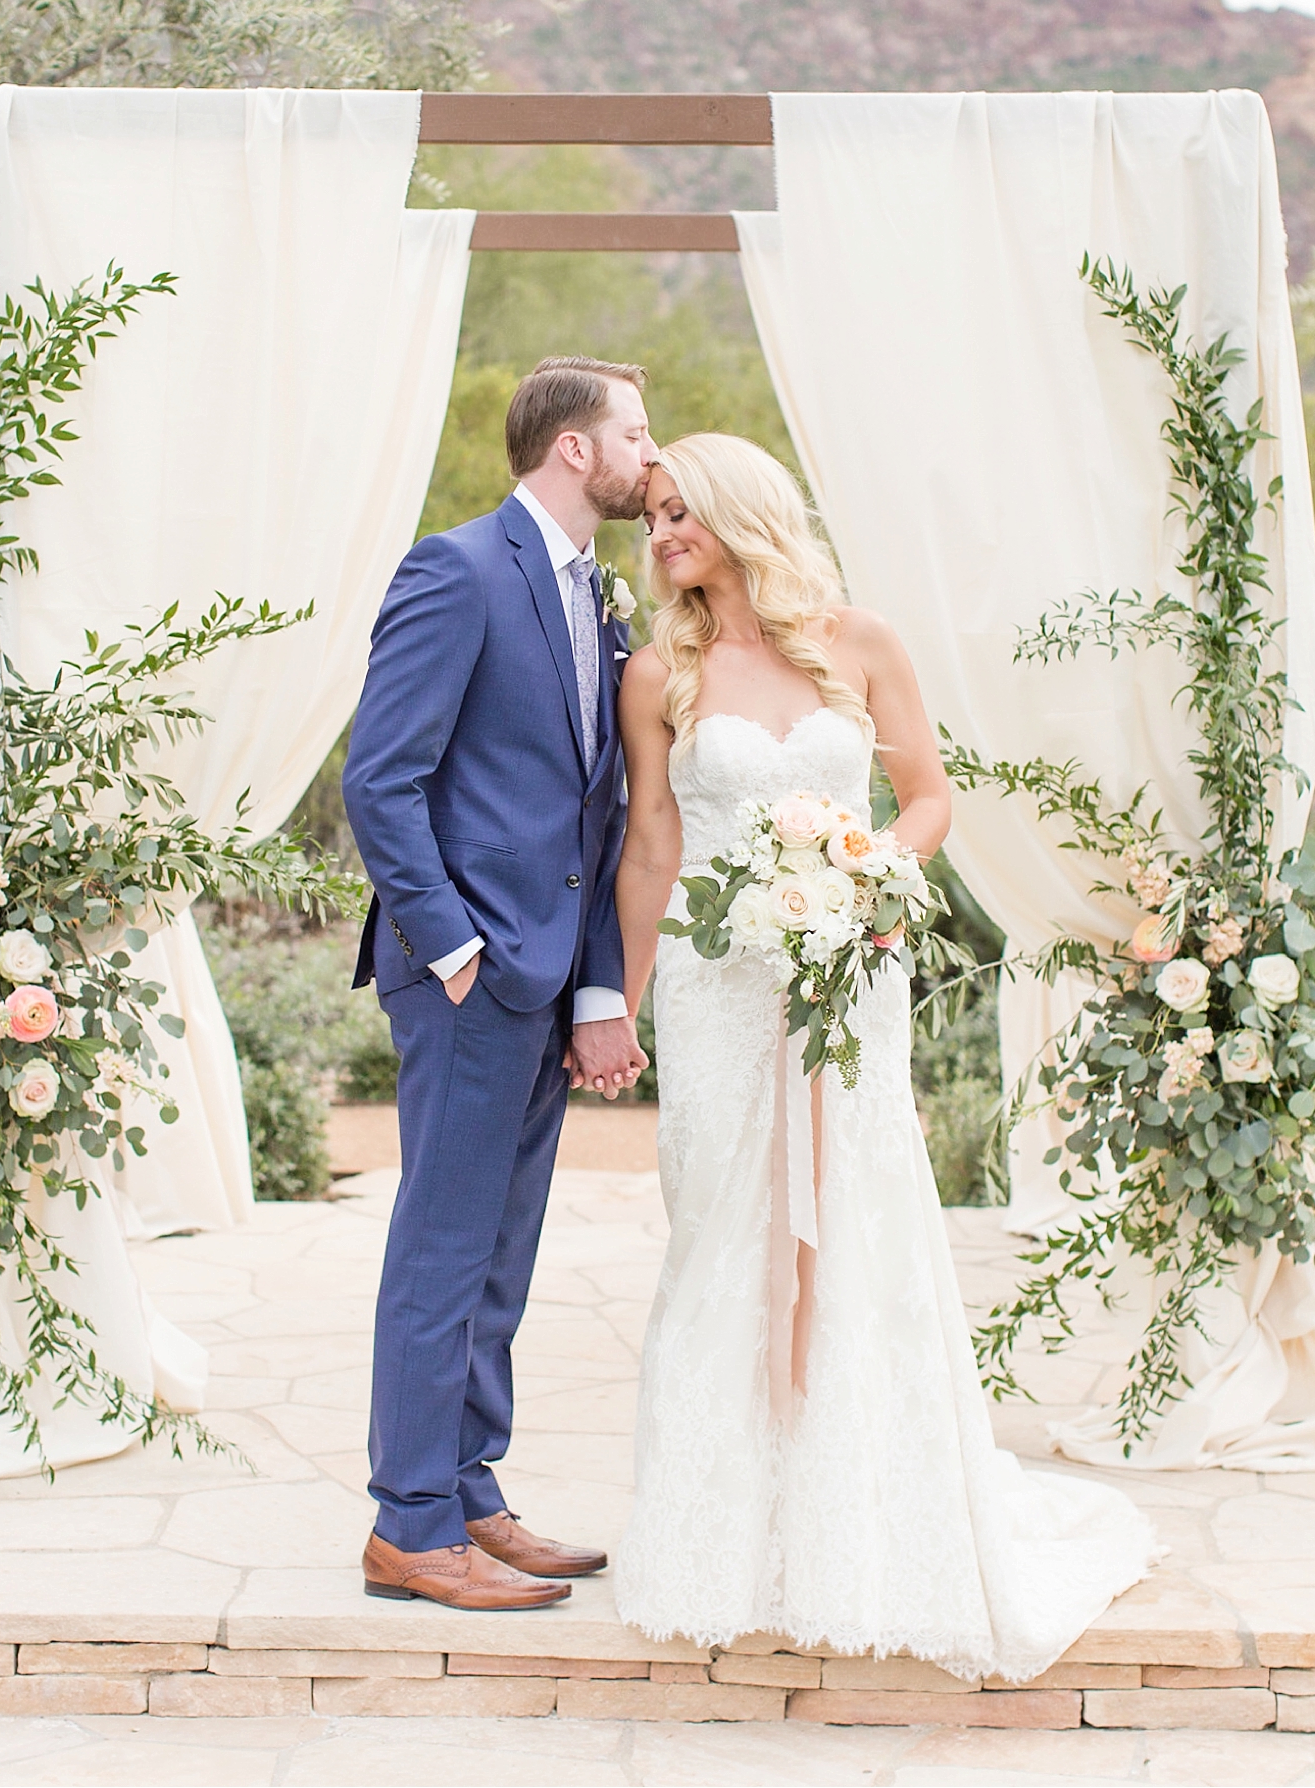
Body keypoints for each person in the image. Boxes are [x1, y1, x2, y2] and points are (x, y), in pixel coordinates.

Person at [610, 433, 1157, 1678]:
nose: (663, 535)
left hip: (847, 973)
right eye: (651, 516)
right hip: (716, 987)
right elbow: (650, 845)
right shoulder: (660, 673)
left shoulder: (857, 642)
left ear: (745, 512)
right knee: (717, 1225)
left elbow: (925, 795)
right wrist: (620, 1003)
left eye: (680, 509)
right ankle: (716, 1542)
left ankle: (854, 1525)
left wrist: (861, 870)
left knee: (852, 1218)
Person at [342, 356, 656, 1611]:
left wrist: (592, 989)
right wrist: (456, 948)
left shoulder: (593, 593)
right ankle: (408, 1526)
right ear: (573, 449)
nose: (652, 453)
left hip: (540, 975)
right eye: (635, 432)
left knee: (498, 1252)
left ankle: (469, 1492)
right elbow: (381, 778)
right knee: (443, 1246)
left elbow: (591, 809)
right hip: (469, 976)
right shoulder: (455, 568)